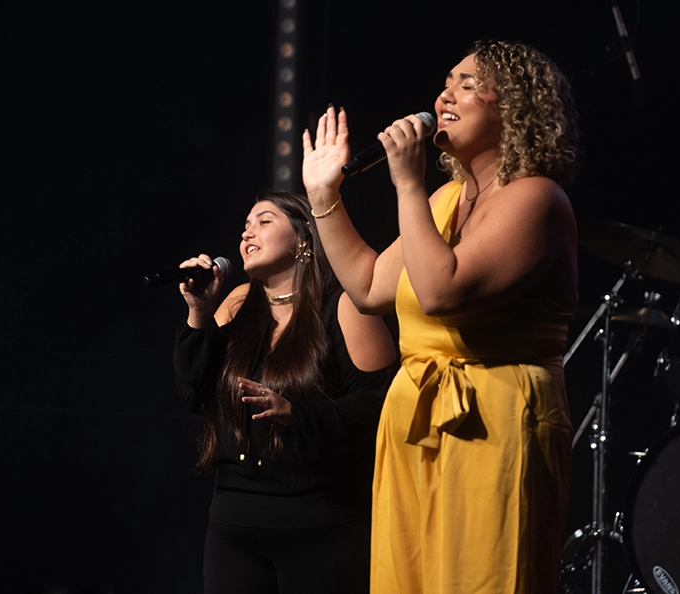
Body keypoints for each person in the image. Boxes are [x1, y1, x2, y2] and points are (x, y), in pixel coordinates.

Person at [300, 40, 580, 593]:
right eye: (446, 81)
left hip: (495, 420)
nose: (444, 94)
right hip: (418, 421)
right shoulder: (445, 200)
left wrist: (407, 181)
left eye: (468, 85)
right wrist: (323, 194)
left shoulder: (537, 200)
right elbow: (368, 287)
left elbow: (441, 292)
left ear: (516, 109)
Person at [173, 191, 397, 594]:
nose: (247, 233)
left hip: (319, 521)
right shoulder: (238, 304)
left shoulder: (344, 306)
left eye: (264, 221)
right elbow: (195, 393)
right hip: (234, 522)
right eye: (244, 226)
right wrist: (198, 315)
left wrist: (297, 413)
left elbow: (381, 406)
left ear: (303, 239)